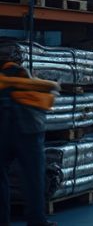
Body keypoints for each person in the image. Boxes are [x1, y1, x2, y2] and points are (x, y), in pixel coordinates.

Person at [1, 61, 58, 226]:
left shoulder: (3, 84)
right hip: (29, 131)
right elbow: (50, 95)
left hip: (3, 131)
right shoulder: (31, 82)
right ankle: (36, 220)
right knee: (33, 177)